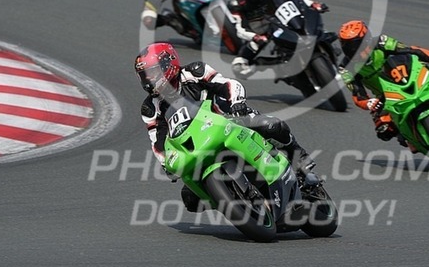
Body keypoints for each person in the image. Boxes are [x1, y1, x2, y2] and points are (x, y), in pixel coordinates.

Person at [134, 42, 316, 212]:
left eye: (152, 72)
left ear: (169, 63)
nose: (149, 79)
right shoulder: (151, 107)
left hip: (230, 118)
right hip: (197, 143)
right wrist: (166, 162)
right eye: (145, 75)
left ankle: (301, 161)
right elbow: (157, 140)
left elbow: (228, 84)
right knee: (190, 199)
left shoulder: (194, 72)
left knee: (271, 126)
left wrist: (237, 103)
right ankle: (234, 201)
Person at [337, 20, 429, 144]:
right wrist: (369, 103)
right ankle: (410, 139)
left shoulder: (381, 42)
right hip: (387, 96)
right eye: (351, 47)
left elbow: (412, 50)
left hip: (409, 75)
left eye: (361, 44)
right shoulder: (346, 68)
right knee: (384, 131)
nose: (358, 50)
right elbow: (358, 96)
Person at [228, 0, 329, 77]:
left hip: (278, 22)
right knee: (239, 68)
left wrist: (313, 4)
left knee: (312, 25)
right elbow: (239, 29)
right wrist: (255, 37)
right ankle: (259, 64)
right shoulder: (237, 2)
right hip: (257, 31)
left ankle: (323, 41)